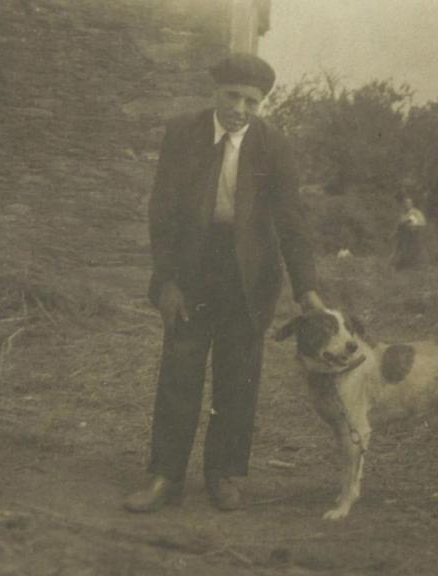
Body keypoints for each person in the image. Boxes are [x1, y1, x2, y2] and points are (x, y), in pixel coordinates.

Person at [125, 53, 324, 513]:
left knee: (238, 378)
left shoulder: (275, 146)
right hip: (193, 269)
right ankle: (164, 476)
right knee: (179, 371)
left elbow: (292, 221)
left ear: (261, 104)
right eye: (232, 96)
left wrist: (305, 287)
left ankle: (224, 474)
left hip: (248, 277)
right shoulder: (182, 133)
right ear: (216, 92)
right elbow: (163, 213)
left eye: (251, 101)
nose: (239, 108)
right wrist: (168, 282)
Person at [392, 195, 428, 270]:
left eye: (408, 203)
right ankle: (404, 266)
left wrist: (415, 225)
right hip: (405, 234)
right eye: (405, 203)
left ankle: (417, 266)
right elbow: (399, 224)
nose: (407, 205)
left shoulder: (417, 212)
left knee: (416, 249)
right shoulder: (403, 214)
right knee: (404, 249)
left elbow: (423, 223)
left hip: (416, 233)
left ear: (412, 204)